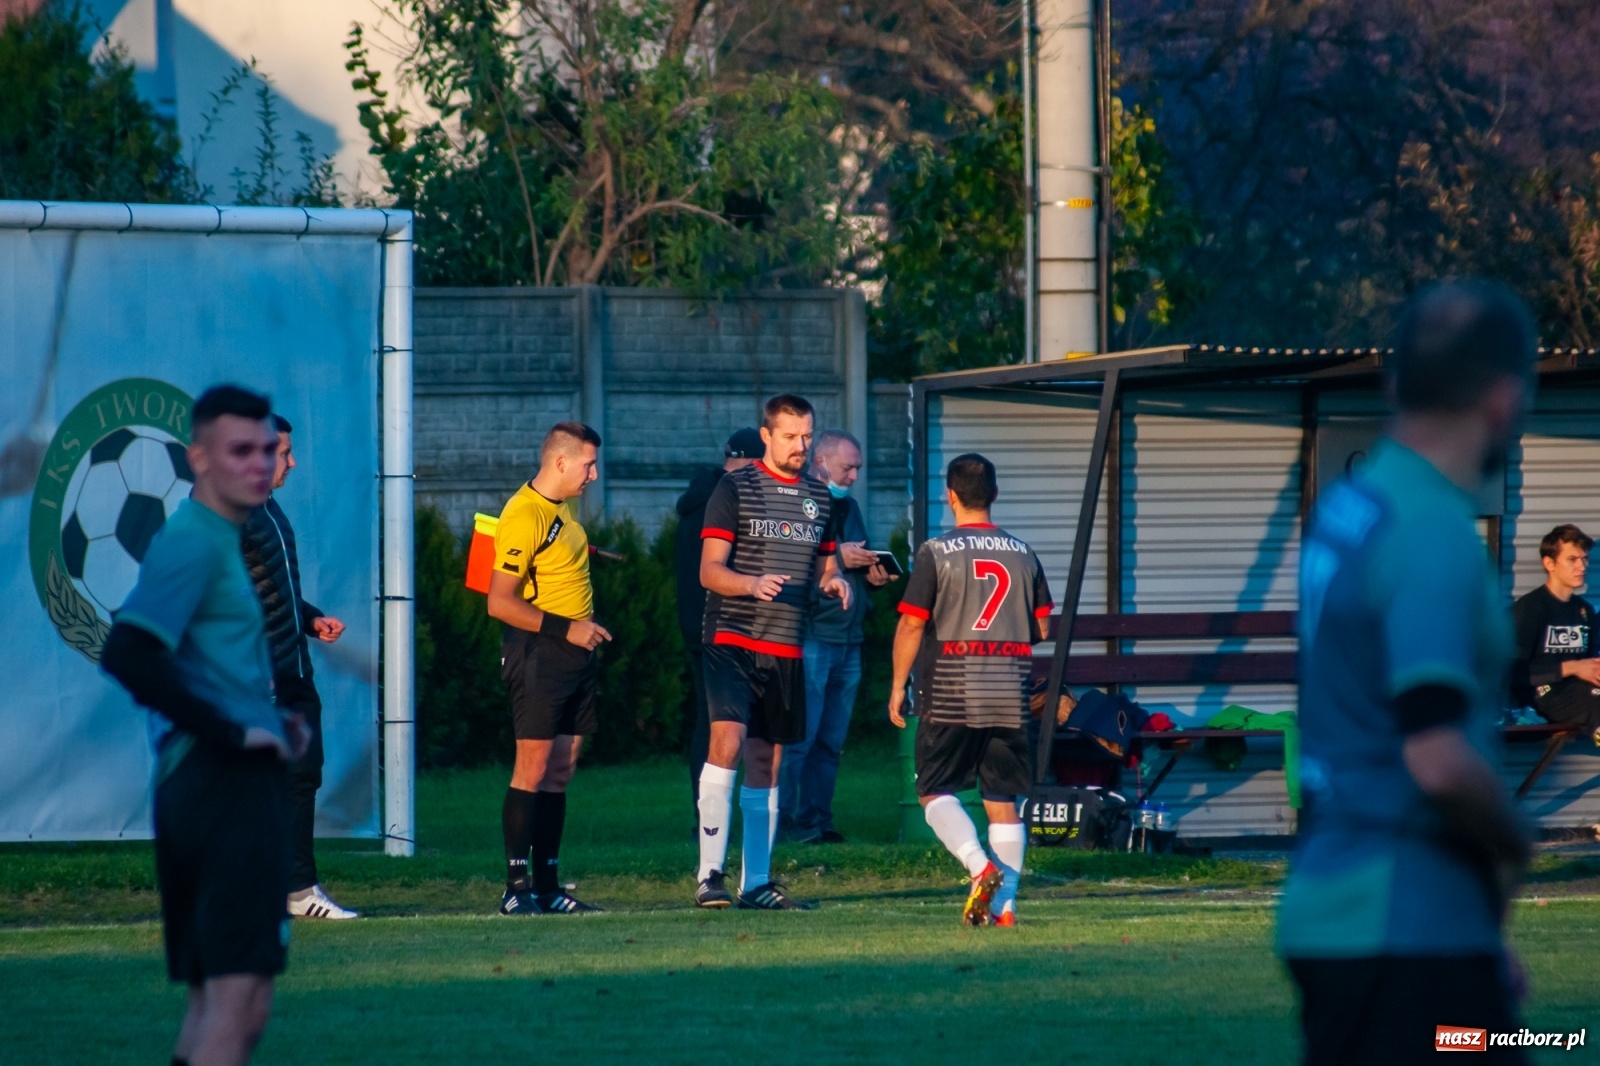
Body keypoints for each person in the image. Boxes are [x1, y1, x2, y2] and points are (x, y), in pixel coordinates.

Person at [1278, 280, 1538, 1065]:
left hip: (1335, 907)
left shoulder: (1351, 509)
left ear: (1397, 384)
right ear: (1503, 400)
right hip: (1405, 921)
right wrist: (1517, 843)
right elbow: (1436, 756)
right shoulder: (1433, 534)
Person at [101, 384, 306, 1066]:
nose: (258, 464)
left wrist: (268, 719)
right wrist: (229, 732)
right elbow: (128, 651)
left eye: (267, 450)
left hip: (216, 783)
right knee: (239, 1002)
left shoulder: (223, 537)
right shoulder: (194, 541)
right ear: (199, 459)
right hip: (219, 788)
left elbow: (204, 663)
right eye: (239, 450)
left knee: (217, 1002)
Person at [694, 394, 850, 910]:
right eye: (790, 436)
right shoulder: (734, 487)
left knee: (768, 759)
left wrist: (834, 583)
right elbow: (709, 571)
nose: (801, 446)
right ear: (766, 435)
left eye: (807, 436)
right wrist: (750, 583)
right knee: (729, 743)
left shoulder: (820, 497)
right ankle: (709, 874)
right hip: (732, 637)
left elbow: (825, 565)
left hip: (786, 645)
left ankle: (755, 882)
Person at [888, 453, 1052, 927]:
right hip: (1010, 691)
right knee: (1003, 801)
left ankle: (979, 868)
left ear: (950, 496)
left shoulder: (935, 552)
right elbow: (1042, 627)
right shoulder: (1024, 553)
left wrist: (898, 685)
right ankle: (1005, 909)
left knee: (933, 790)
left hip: (951, 690)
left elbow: (911, 627)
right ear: (994, 495)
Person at [486, 421, 612, 916]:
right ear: (560, 462)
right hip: (539, 653)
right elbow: (500, 602)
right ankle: (515, 889)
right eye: (587, 464)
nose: (594, 475)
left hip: (574, 655)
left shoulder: (560, 511)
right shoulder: (524, 514)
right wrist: (569, 630)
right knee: (533, 768)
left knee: (560, 770)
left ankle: (547, 887)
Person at [241, 414, 355, 921]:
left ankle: (293, 889)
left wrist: (310, 620)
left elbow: (273, 589)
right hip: (260, 675)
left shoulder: (270, 509)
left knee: (299, 777)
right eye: (284, 452)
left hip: (293, 669)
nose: (293, 461)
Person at [779, 429, 894, 843]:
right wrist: (837, 559)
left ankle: (817, 820)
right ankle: (784, 821)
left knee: (830, 741)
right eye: (848, 468)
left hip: (849, 639)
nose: (853, 477)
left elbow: (853, 562)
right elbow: (788, 567)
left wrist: (873, 574)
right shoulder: (800, 504)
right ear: (822, 462)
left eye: (858, 469)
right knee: (800, 738)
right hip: (812, 635)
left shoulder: (850, 507)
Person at [674, 427, 764, 812]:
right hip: (725, 627)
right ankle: (710, 819)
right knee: (723, 730)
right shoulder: (729, 500)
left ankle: (707, 818)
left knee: (709, 724)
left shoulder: (696, 501)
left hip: (698, 625)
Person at [1512, 524, 1600, 742]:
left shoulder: (1585, 611)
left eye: (1585, 559)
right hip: (1542, 697)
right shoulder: (1531, 608)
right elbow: (1513, 673)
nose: (1582, 566)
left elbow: (1588, 664)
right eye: (1572, 559)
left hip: (1581, 692)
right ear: (1549, 563)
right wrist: (1572, 667)